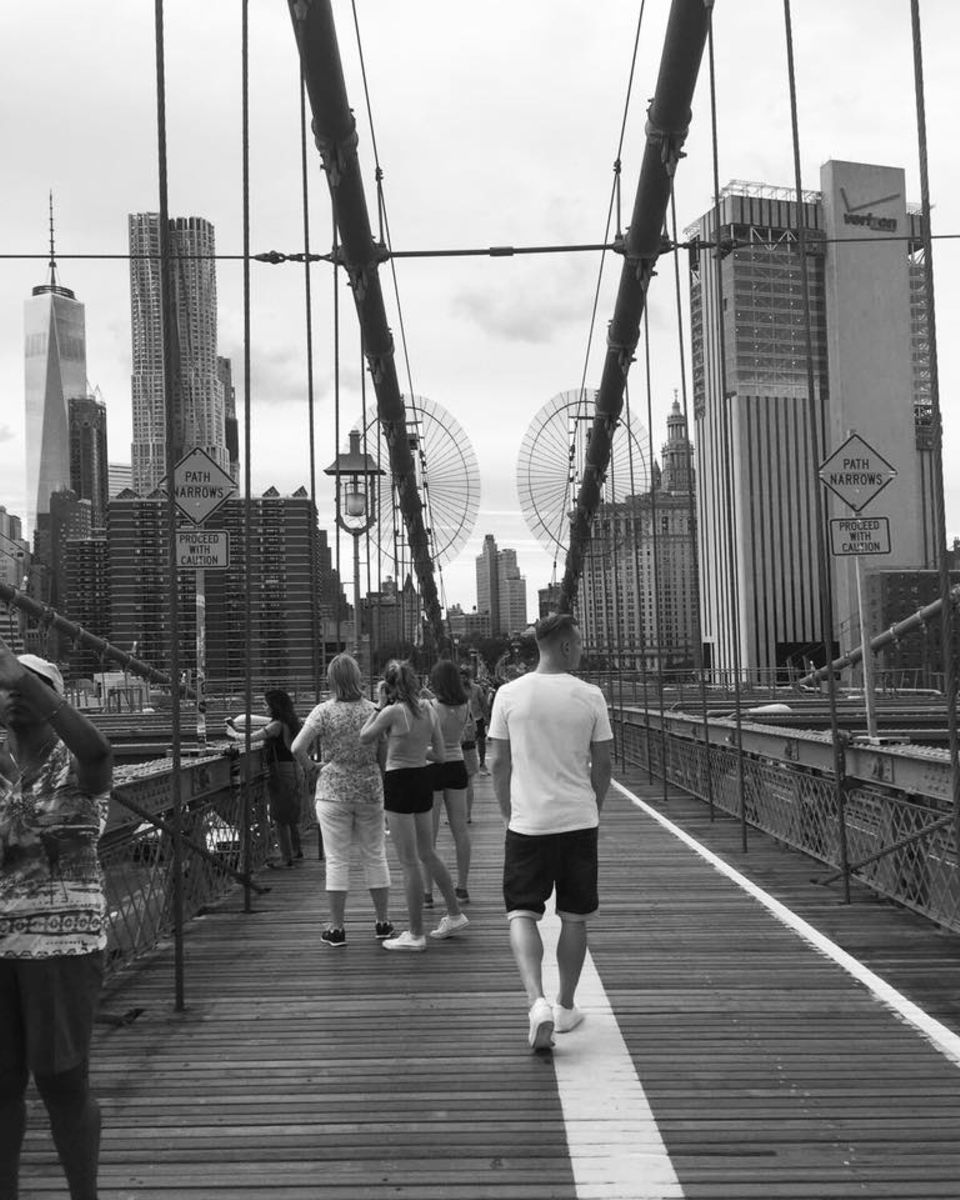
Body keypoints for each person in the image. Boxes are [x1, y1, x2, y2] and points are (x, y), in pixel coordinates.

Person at [0, 644, 113, 1200]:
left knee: (62, 1081)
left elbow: (98, 749)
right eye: (7, 688)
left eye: (30, 687)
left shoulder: (78, 766)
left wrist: (21, 676)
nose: (15, 695)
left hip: (62, 945)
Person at [487, 613, 613, 1051]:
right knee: (574, 916)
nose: (581, 650)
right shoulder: (591, 695)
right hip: (578, 822)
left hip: (528, 824)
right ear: (563, 647)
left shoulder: (507, 694)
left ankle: (535, 1001)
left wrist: (507, 811)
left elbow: (497, 764)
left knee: (522, 912)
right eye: (577, 643)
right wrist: (592, 808)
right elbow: (605, 765)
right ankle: (564, 1006)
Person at [360, 660, 468, 951]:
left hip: (399, 781)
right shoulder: (428, 710)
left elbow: (364, 737)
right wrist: (419, 750)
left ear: (392, 686)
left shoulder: (393, 711)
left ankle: (416, 933)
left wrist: (379, 705)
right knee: (427, 853)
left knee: (408, 861)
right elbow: (441, 756)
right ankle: (455, 913)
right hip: (422, 777)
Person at [291, 654, 392, 947]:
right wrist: (380, 780)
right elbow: (382, 754)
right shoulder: (374, 710)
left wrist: (312, 767)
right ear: (358, 678)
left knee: (337, 860)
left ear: (330, 680)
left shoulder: (323, 711)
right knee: (375, 855)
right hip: (369, 790)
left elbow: (298, 746)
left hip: (332, 790)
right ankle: (382, 922)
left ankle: (336, 928)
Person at [228, 691, 305, 867]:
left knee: (280, 817)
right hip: (295, 769)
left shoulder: (276, 725)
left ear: (274, 706)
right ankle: (296, 850)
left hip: (281, 772)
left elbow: (251, 738)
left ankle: (286, 858)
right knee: (290, 814)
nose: (263, 707)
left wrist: (233, 733)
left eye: (266, 704)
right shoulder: (292, 722)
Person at [422, 660, 472, 905]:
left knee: (428, 835)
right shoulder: (465, 705)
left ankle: (427, 891)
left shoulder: (429, 706)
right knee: (460, 830)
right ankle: (462, 886)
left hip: (432, 766)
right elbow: (448, 708)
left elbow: (431, 718)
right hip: (456, 765)